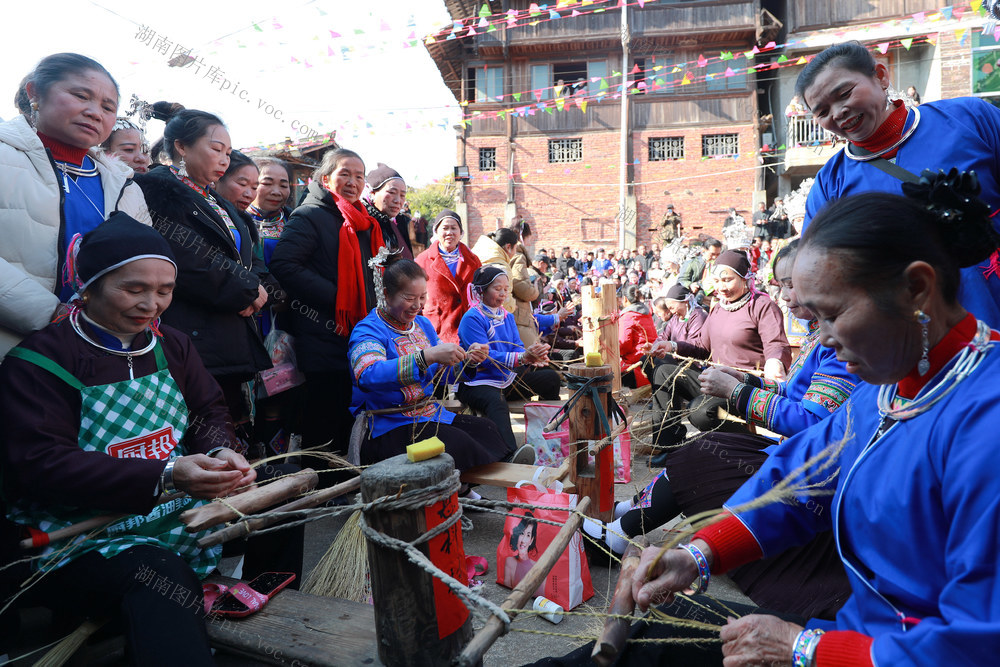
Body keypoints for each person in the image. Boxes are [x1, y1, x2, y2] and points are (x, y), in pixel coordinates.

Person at [592, 185, 1000, 667]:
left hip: (894, 652)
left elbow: (977, 642)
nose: (822, 338)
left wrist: (802, 647)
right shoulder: (889, 383)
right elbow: (804, 475)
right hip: (861, 634)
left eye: (833, 315)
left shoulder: (984, 421)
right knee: (652, 635)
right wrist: (700, 554)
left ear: (916, 289)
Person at [0, 215, 255, 664]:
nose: (151, 304)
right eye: (133, 289)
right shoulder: (40, 361)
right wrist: (166, 473)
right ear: (89, 285)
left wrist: (221, 452)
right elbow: (43, 464)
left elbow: (209, 411)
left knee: (283, 492)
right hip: (79, 534)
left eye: (164, 290)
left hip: (176, 507)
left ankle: (253, 619)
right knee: (160, 575)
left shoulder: (172, 345)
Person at [586, 240, 859, 620]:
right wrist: (710, 365)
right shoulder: (811, 332)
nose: (788, 295)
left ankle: (623, 527)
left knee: (707, 444)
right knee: (668, 378)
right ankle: (629, 513)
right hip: (762, 409)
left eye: (795, 284)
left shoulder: (837, 339)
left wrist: (741, 390)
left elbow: (813, 419)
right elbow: (707, 350)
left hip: (815, 473)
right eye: (782, 285)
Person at [798, 40, 1000, 327]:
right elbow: (819, 283)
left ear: (881, 76)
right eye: (821, 111)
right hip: (919, 340)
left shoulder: (970, 118)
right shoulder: (830, 185)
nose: (838, 112)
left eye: (844, 93)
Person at [0, 53, 151, 359]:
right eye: (81, 96)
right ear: (35, 94)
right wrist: (53, 314)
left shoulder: (126, 186)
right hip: (14, 350)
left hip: (100, 352)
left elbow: (143, 266)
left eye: (108, 107)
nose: (95, 113)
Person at [135, 107, 270, 428]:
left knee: (231, 424)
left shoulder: (213, 197)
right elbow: (187, 259)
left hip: (229, 326)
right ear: (181, 147)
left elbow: (247, 256)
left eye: (228, 152)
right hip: (192, 329)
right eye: (215, 149)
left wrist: (260, 286)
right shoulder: (158, 189)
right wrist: (248, 289)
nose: (224, 159)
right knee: (203, 424)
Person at [270, 148, 384, 454]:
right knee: (323, 419)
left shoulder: (363, 221)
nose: (352, 181)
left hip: (356, 331)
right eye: (344, 173)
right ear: (325, 178)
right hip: (321, 331)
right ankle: (318, 487)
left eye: (359, 176)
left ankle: (340, 487)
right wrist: (340, 296)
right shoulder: (309, 215)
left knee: (346, 416)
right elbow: (284, 265)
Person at [348, 258, 510, 472]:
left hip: (427, 414)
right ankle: (465, 492)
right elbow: (368, 374)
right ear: (386, 294)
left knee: (486, 428)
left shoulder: (422, 325)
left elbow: (441, 374)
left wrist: (467, 361)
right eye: (409, 298)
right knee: (456, 442)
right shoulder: (369, 330)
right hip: (389, 423)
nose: (417, 305)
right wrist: (426, 356)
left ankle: (491, 473)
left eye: (423, 297)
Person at [646, 250, 790, 449]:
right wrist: (672, 345)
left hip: (744, 385)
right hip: (716, 379)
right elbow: (702, 347)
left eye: (727, 280)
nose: (721, 287)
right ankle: (667, 446)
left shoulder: (762, 305)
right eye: (717, 281)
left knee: (702, 410)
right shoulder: (717, 308)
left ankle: (753, 446)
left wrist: (775, 363)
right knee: (663, 372)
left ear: (745, 278)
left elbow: (776, 344)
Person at [457, 266, 559, 456]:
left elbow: (517, 346)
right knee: (497, 403)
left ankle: (549, 433)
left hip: (506, 378)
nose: (503, 293)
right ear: (481, 290)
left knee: (551, 378)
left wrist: (532, 355)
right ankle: (510, 456)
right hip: (477, 382)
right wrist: (521, 357)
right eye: (497, 288)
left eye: (506, 289)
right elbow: (484, 358)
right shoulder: (472, 318)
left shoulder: (506, 315)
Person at [415, 209, 481, 344]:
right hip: (436, 329)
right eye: (445, 228)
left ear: (461, 233)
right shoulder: (422, 260)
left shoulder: (473, 261)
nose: (449, 232)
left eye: (454, 228)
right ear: (436, 231)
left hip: (467, 328)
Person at [246, 157, 293, 266]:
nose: (276, 192)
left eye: (283, 186)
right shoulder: (232, 219)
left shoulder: (295, 222)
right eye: (267, 183)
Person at [363, 163, 412, 260]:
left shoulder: (399, 224)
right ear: (372, 193)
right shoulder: (363, 224)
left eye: (402, 195)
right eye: (392, 192)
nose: (398, 200)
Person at [618, 285, 657, 388]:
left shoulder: (627, 316)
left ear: (625, 299)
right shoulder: (646, 312)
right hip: (651, 353)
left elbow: (624, 344)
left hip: (637, 360)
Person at [503, 512, 542, 594]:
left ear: (531, 540)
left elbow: (541, 593)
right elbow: (505, 591)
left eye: (528, 535)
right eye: (521, 533)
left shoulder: (538, 567)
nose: (523, 540)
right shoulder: (510, 561)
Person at [677, 239, 722, 303]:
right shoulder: (691, 263)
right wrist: (690, 285)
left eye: (718, 254)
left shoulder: (719, 264)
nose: (715, 257)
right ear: (703, 250)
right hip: (697, 299)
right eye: (712, 254)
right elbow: (681, 280)